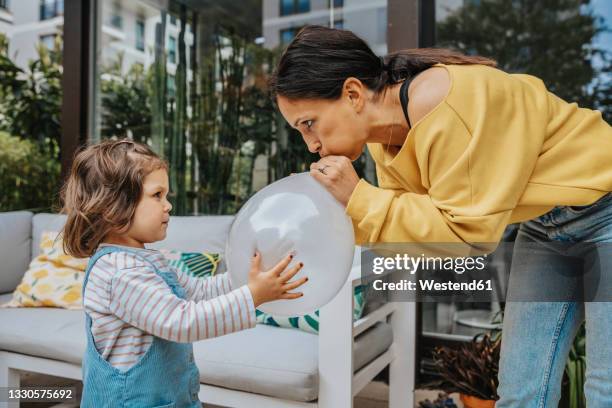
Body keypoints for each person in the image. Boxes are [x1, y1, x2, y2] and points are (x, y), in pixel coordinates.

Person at [269, 25, 612, 407]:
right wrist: (337, 213)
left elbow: (466, 234)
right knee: (521, 389)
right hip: (546, 225)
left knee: (605, 389)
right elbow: (414, 230)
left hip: (607, 207)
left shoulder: (447, 102)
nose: (312, 144)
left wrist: (360, 199)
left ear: (352, 94)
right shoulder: (386, 139)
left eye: (309, 123)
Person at [60, 139, 308, 407]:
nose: (168, 205)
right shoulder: (119, 271)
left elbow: (197, 292)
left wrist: (243, 278)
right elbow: (181, 322)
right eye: (157, 195)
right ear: (113, 206)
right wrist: (252, 296)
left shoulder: (145, 260)